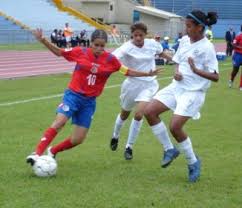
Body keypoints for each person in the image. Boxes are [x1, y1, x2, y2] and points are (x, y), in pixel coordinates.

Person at [26, 28, 161, 166]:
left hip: (89, 102)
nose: (99, 48)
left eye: (102, 46)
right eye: (96, 45)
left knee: (78, 139)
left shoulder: (111, 60)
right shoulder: (80, 52)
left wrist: (147, 74)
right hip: (73, 95)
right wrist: (43, 40)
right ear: (91, 43)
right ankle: (36, 153)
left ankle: (53, 151)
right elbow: (59, 52)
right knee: (60, 122)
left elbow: (127, 71)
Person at [144, 10, 219, 182]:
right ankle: (169, 149)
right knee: (149, 112)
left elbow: (215, 76)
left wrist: (195, 70)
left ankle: (193, 162)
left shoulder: (207, 47)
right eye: (186, 25)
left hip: (193, 92)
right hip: (177, 86)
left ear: (200, 28)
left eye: (189, 26)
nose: (186, 29)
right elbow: (177, 61)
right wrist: (176, 72)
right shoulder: (185, 40)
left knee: (175, 126)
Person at [109, 22, 175, 161]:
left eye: (141, 35)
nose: (138, 38)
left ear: (145, 34)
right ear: (132, 35)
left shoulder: (152, 44)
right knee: (124, 114)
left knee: (139, 114)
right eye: (135, 35)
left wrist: (176, 60)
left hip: (149, 85)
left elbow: (161, 53)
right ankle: (115, 136)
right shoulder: (126, 47)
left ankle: (129, 147)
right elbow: (112, 59)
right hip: (131, 85)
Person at [228, 26, 242, 90]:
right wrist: (240, 48)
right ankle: (231, 80)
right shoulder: (239, 36)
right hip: (238, 55)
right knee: (235, 70)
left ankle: (241, 86)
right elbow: (233, 44)